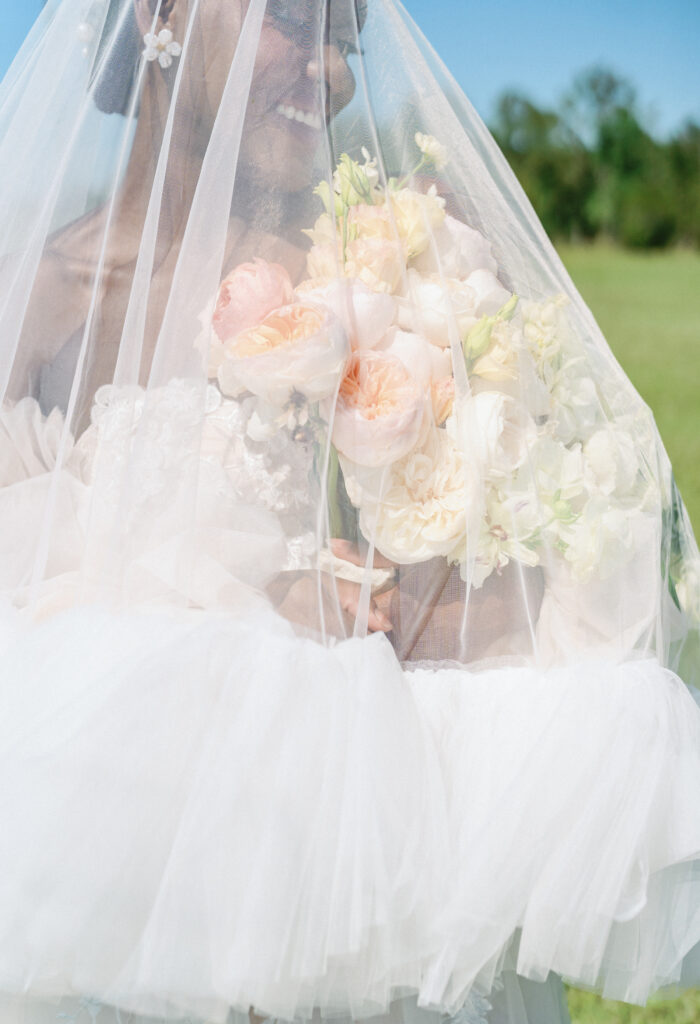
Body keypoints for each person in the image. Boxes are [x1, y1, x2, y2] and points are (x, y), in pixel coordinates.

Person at [0, 3, 698, 1024]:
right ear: (155, 12)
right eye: (296, 19)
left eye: (351, 39)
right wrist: (235, 588)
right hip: (127, 871)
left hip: (366, 878)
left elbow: (527, 574)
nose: (331, 72)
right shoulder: (41, 295)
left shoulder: (398, 266)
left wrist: (405, 598)